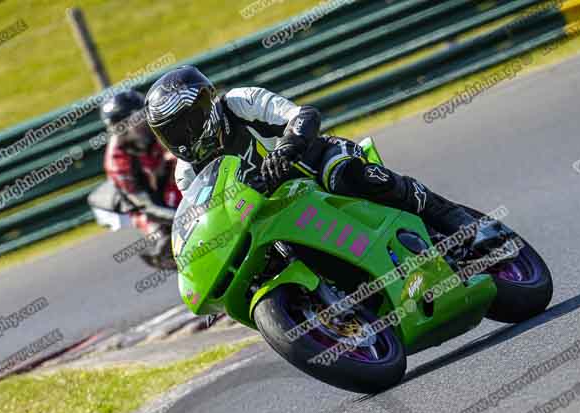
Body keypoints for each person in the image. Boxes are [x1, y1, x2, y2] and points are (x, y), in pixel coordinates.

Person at [143, 66, 503, 252]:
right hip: (275, 214)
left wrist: (285, 150)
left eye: (188, 124)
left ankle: (463, 225)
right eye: (173, 133)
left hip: (314, 164)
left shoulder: (238, 103)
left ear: (207, 104)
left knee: (348, 176)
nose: (185, 138)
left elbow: (303, 116)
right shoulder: (187, 175)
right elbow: (201, 222)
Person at [100, 89, 182, 266]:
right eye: (137, 118)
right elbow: (145, 206)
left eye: (143, 113)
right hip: (143, 202)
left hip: (163, 175)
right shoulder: (118, 162)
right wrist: (182, 217)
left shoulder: (151, 128)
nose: (144, 120)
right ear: (121, 127)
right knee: (163, 234)